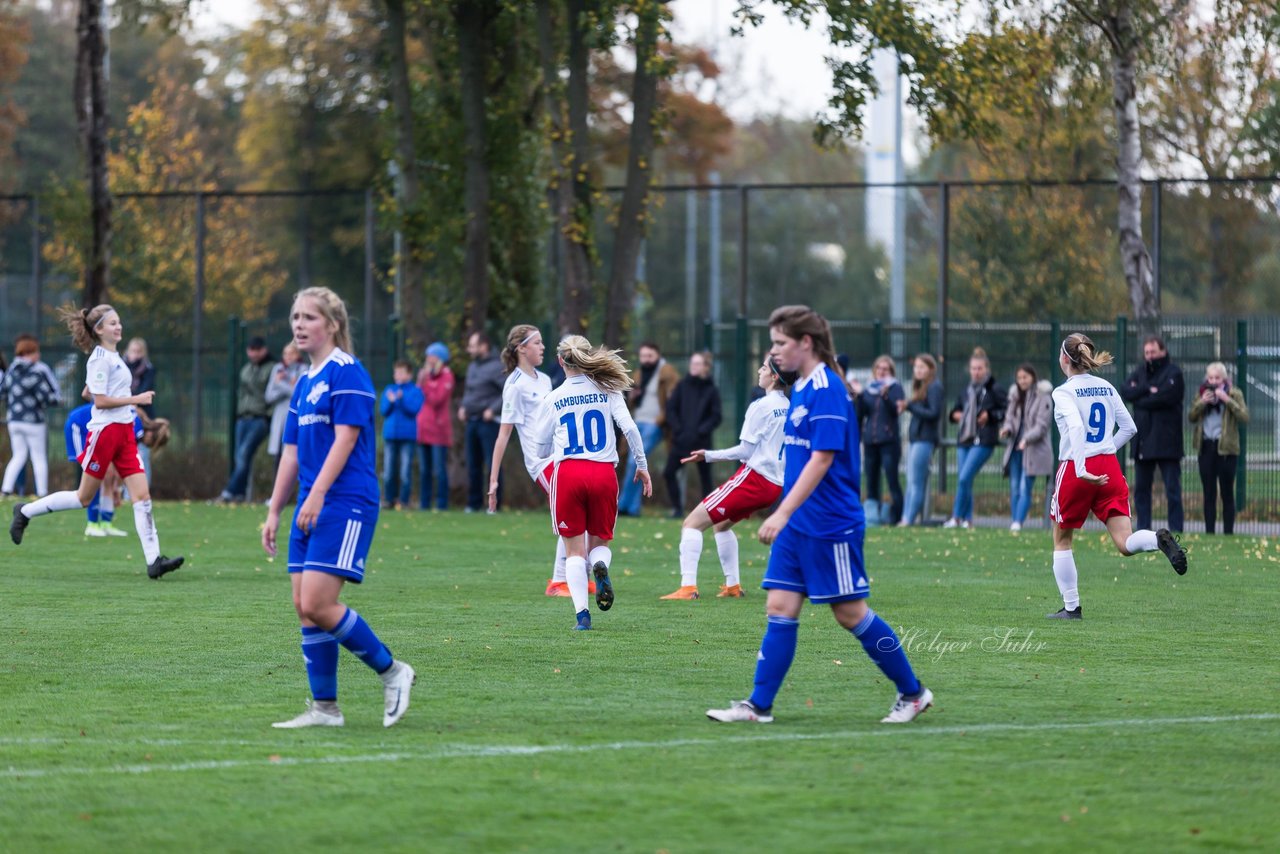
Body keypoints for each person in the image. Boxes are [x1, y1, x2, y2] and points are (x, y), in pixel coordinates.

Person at [706, 305, 932, 725]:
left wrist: (780, 512)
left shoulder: (828, 389)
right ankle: (759, 706)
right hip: (798, 523)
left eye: (780, 343)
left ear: (805, 343)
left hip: (830, 522)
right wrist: (787, 515)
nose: (773, 352)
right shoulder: (804, 388)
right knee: (779, 605)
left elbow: (823, 459)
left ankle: (913, 693)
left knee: (850, 614)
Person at [262, 286, 416, 729]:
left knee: (318, 601)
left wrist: (316, 495)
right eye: (295, 317)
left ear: (332, 325)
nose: (299, 325)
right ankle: (325, 709)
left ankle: (393, 672)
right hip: (312, 504)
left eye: (309, 317)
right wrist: (274, 510)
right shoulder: (305, 381)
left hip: (345, 500)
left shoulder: (347, 372)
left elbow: (347, 439)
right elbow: (290, 452)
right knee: (302, 604)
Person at [9, 304, 183, 579]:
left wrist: (111, 396)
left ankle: (154, 562)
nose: (118, 326)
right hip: (104, 434)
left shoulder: (113, 357)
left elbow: (90, 391)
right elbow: (99, 401)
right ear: (99, 329)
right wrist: (135, 399)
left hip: (124, 433)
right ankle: (25, 511)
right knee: (83, 497)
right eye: (112, 323)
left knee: (142, 496)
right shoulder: (100, 358)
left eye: (119, 322)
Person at [1047, 333, 1188, 620]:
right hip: (1108, 466)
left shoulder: (1063, 392)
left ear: (1064, 358)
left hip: (1078, 468)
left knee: (1062, 540)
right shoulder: (1106, 386)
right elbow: (1130, 428)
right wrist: (1105, 451)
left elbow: (1075, 426)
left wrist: (1083, 464)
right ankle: (1156, 539)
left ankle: (1071, 608)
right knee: (1125, 542)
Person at [528, 335, 652, 631]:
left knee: (573, 552)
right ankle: (602, 567)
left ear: (560, 361)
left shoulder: (554, 397)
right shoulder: (608, 388)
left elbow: (541, 448)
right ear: (588, 356)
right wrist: (642, 466)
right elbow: (630, 428)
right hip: (603, 473)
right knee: (600, 541)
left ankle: (582, 616)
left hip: (569, 474)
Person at [661, 355, 794, 601]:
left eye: (764, 367)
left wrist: (708, 455)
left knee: (691, 523)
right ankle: (732, 586)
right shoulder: (789, 407)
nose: (759, 371)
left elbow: (745, 451)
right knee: (721, 527)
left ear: (774, 376)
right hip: (775, 484)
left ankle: (687, 587)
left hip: (755, 478)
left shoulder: (760, 405)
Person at [486, 324, 592, 598]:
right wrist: (494, 480)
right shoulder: (514, 386)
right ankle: (559, 581)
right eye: (537, 343)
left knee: (586, 509)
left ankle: (579, 575)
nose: (543, 347)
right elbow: (503, 436)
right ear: (521, 348)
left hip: (561, 453)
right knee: (573, 513)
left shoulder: (544, 380)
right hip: (541, 462)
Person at [1119, 335, 1185, 532]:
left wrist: (1140, 400)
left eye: (1153, 352)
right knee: (1141, 490)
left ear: (1163, 351)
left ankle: (1176, 529)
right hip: (1143, 441)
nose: (1149, 356)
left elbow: (1167, 396)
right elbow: (1125, 390)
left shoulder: (1174, 373)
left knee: (1172, 490)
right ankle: (1143, 530)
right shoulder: (1141, 372)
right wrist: (1148, 389)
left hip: (1167, 442)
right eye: (1147, 353)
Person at [944, 347, 1005, 529]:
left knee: (964, 478)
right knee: (965, 480)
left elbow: (1005, 410)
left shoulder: (994, 388)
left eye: (979, 368)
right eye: (973, 368)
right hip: (965, 439)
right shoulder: (966, 391)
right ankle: (968, 520)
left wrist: (990, 416)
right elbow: (954, 410)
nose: (976, 372)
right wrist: (956, 415)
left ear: (986, 369)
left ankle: (956, 517)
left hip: (984, 440)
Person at [619, 342, 679, 516]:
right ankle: (632, 508)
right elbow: (631, 403)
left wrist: (660, 421)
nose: (645, 360)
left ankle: (623, 505)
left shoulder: (667, 373)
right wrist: (632, 397)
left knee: (635, 462)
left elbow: (673, 400)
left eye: (649, 356)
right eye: (643, 356)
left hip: (654, 424)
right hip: (636, 422)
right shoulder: (639, 374)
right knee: (635, 464)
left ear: (658, 355)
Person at [1189, 361, 1249, 535]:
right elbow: (1191, 416)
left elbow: (1244, 416)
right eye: (1210, 377)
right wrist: (1202, 403)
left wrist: (1227, 400)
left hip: (1226, 450)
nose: (1213, 381)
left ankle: (1228, 532)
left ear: (1224, 379)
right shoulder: (1202, 393)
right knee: (1209, 493)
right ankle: (1210, 532)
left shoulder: (1234, 393)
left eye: (1217, 378)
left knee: (1227, 492)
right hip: (1206, 447)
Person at [63, 398, 136, 537]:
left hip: (101, 434)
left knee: (109, 475)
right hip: (79, 428)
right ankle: (92, 524)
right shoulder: (133, 423)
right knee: (96, 475)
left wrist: (117, 488)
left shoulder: (127, 421)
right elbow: (86, 393)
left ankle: (106, 523)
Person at [662, 351, 722, 518]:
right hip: (681, 442)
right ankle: (677, 509)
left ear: (705, 367)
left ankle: (707, 513)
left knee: (705, 479)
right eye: (692, 363)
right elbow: (671, 409)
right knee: (669, 472)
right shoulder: (682, 386)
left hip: (701, 444)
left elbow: (716, 416)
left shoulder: (712, 390)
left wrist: (702, 431)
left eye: (697, 364)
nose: (693, 367)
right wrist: (678, 429)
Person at [2, 335, 61, 498]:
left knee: (18, 455)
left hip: (14, 420)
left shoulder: (11, 371)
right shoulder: (36, 372)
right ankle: (42, 492)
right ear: (30, 352)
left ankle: (5, 490)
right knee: (39, 457)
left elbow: (3, 392)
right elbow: (47, 397)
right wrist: (56, 401)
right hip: (34, 422)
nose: (39, 355)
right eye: (36, 352)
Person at [217, 337, 275, 503]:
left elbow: (268, 393)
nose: (253, 353)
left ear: (264, 350)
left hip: (259, 418)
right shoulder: (247, 368)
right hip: (243, 418)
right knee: (240, 457)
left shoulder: (272, 368)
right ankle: (240, 494)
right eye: (251, 349)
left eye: (257, 349)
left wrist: (267, 416)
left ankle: (229, 492)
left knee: (243, 454)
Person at [851, 354, 904, 526]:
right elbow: (862, 413)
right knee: (871, 481)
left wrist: (886, 396)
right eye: (878, 369)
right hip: (871, 442)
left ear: (890, 372)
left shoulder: (895, 388)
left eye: (885, 369)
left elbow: (896, 411)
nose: (881, 372)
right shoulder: (869, 390)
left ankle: (897, 517)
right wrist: (858, 397)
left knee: (892, 480)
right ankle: (872, 517)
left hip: (889, 442)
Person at [1000, 363, 1053, 531]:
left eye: (1025, 377)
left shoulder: (1043, 396)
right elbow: (1009, 417)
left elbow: (1042, 426)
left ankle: (1018, 522)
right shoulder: (1014, 396)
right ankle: (1015, 521)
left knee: (1025, 486)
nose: (1022, 381)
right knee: (1014, 486)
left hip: (1033, 449)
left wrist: (1027, 439)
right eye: (1019, 378)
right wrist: (1007, 429)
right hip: (1015, 448)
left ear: (1033, 377)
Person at [459, 331, 506, 513]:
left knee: (492, 463)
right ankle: (474, 503)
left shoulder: (497, 367)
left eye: (472, 345)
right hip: (471, 421)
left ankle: (495, 504)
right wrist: (463, 407)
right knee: (472, 464)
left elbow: (507, 392)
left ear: (483, 346)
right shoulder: (472, 366)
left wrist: (492, 409)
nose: (469, 349)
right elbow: (469, 392)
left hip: (489, 423)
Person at [901, 354, 943, 526]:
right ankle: (905, 518)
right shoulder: (921, 387)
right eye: (916, 367)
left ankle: (908, 520)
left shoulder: (934, 387)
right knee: (910, 481)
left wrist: (910, 407)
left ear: (930, 369)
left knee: (916, 482)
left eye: (922, 367)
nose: (918, 370)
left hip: (925, 440)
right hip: (915, 439)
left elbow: (933, 413)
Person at [380, 360, 424, 509]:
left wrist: (401, 399)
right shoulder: (389, 389)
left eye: (401, 372)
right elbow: (383, 411)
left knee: (405, 471)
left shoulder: (415, 391)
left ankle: (404, 500)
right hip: (390, 435)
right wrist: (392, 402)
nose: (397, 375)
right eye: (395, 372)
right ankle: (388, 500)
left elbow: (413, 410)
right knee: (388, 471)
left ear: (409, 374)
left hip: (407, 436)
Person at [417, 342, 454, 510]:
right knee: (424, 470)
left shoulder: (447, 376)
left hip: (438, 430)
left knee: (439, 470)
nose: (428, 359)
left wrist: (425, 385)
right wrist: (422, 382)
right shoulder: (426, 377)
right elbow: (417, 398)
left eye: (431, 356)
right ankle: (424, 504)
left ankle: (441, 504)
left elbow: (436, 400)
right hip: (423, 429)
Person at [266, 343, 306, 475]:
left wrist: (280, 384)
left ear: (298, 354)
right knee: (277, 457)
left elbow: (298, 393)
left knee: (293, 454)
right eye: (285, 354)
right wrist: (285, 385)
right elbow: (269, 396)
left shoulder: (303, 369)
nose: (288, 357)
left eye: (292, 353)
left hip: (295, 416)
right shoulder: (278, 369)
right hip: (279, 418)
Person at [124, 337, 156, 483]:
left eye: (139, 351)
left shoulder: (149, 369)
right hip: (124, 416)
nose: (135, 355)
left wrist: (134, 402)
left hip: (144, 418)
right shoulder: (121, 368)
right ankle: (125, 493)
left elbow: (145, 391)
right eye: (133, 351)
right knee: (125, 456)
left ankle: (144, 490)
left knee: (143, 455)